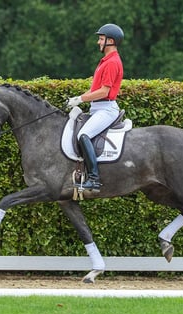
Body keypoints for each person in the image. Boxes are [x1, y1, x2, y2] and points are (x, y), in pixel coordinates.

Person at [67, 23, 124, 192]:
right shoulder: (105, 61)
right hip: (98, 108)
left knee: (83, 134)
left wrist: (81, 99)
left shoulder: (112, 62)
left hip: (106, 109)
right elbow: (94, 89)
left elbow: (104, 92)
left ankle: (94, 179)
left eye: (101, 39)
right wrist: (76, 99)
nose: (98, 42)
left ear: (110, 41)